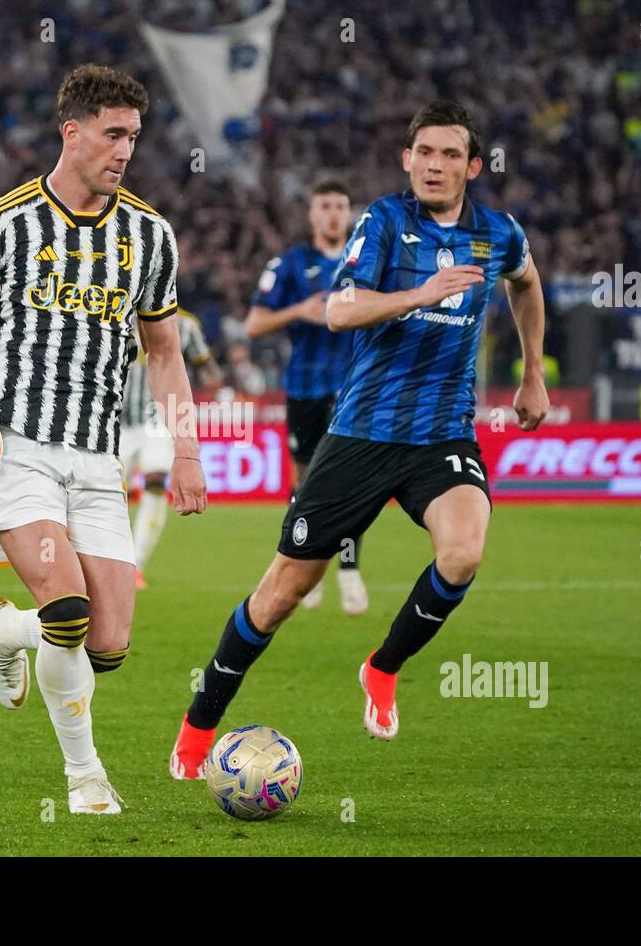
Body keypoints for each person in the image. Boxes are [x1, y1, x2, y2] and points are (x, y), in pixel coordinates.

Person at [169, 100, 549, 777]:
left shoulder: (499, 234)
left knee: (463, 553)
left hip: (441, 435)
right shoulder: (382, 222)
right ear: (408, 159)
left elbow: (527, 282)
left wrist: (533, 374)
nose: (435, 165)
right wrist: (420, 294)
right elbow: (341, 310)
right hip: (362, 433)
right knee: (281, 592)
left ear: (473, 166)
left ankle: (382, 667)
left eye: (450, 155)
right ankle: (199, 725)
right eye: (424, 153)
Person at [0, 64, 207, 814]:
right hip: (18, 449)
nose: (125, 150)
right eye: (113, 135)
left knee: (108, 642)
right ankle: (86, 778)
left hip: (97, 458)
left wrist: (186, 449)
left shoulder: (150, 235)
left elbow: (164, 352)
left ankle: (2, 628)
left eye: (135, 138)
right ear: (72, 131)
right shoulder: (0, 224)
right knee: (69, 613)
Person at [246, 178, 368, 615]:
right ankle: (301, 566)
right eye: (325, 205)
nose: (334, 213)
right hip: (304, 387)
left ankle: (349, 570)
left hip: (354, 387)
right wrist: (299, 310)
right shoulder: (290, 264)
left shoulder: (366, 260)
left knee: (353, 481)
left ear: (349, 212)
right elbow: (254, 324)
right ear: (312, 214)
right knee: (305, 482)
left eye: (340, 205)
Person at [119, 309, 221, 588]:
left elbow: (207, 365)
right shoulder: (116, 312)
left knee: (155, 480)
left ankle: (136, 564)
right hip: (116, 421)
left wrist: (213, 385)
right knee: (108, 491)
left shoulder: (186, 324)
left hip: (157, 421)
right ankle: (112, 560)